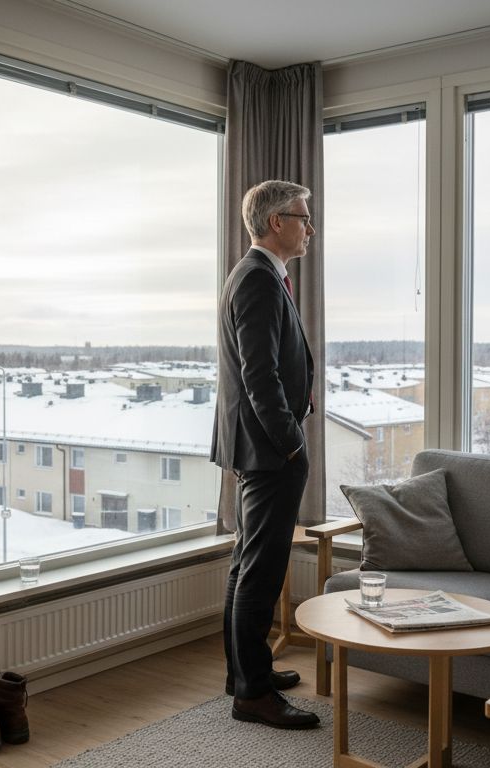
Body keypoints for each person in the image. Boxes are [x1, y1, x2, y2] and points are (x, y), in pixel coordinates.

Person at [211, 179, 318, 729]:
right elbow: (259, 376)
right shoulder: (256, 279)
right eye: (303, 217)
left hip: (257, 446)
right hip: (268, 451)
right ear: (277, 222)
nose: (309, 228)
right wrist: (292, 443)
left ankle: (245, 673)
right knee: (260, 566)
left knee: (247, 561)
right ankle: (252, 694)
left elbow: (272, 360)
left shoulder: (259, 275)